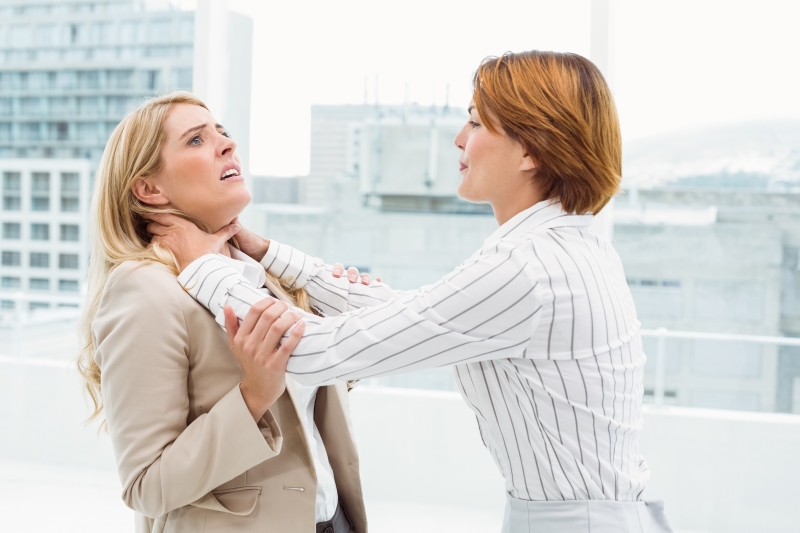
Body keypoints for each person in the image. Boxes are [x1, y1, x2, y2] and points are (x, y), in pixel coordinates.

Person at [151, 51, 673, 533]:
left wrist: (201, 266)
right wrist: (268, 254)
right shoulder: (566, 247)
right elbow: (415, 315)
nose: (459, 139)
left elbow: (312, 351)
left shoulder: (527, 270)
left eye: (476, 122)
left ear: (531, 149)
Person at [77, 92, 365, 533]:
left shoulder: (261, 274)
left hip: (333, 520)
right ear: (150, 189)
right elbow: (146, 485)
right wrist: (253, 396)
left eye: (223, 133)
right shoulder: (144, 288)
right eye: (196, 140)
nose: (228, 144)